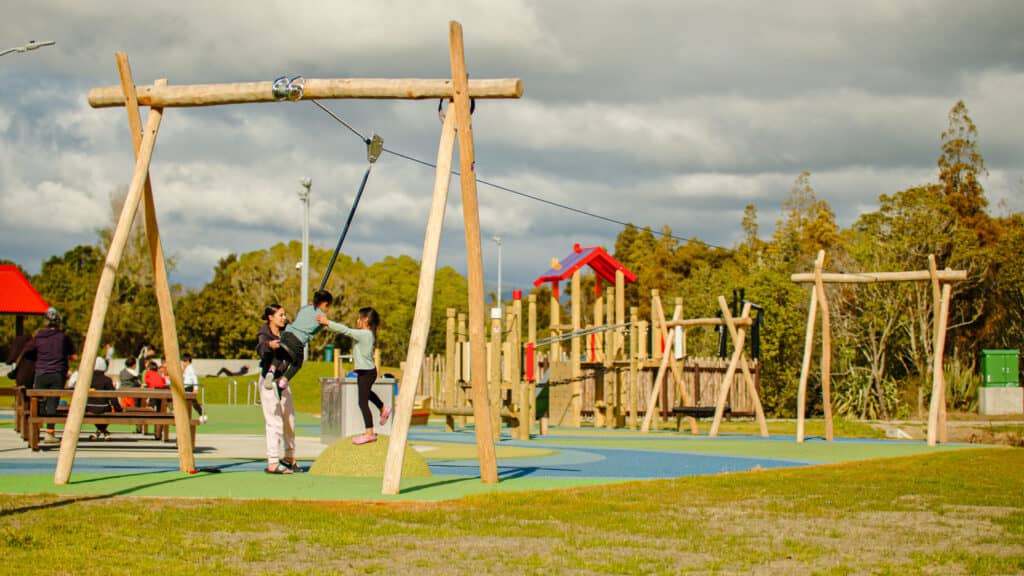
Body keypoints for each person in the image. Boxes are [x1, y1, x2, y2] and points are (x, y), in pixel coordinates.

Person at [263, 290, 347, 392]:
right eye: (328, 307)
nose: (327, 309)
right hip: (297, 341)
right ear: (325, 304)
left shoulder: (305, 308)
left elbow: (305, 316)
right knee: (297, 364)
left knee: (280, 355)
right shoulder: (322, 317)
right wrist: (327, 322)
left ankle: (271, 372)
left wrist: (311, 307)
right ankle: (282, 383)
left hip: (286, 335)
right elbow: (328, 326)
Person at [256, 304, 299, 474]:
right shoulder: (264, 333)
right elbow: (260, 347)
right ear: (270, 317)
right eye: (280, 315)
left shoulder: (287, 330)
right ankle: (273, 462)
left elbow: (299, 330)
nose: (283, 318)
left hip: (284, 380)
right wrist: (269, 345)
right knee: (274, 421)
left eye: (284, 315)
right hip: (269, 380)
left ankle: (289, 457)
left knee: (290, 419)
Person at [335, 307, 388, 445]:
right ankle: (383, 408)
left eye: (359, 318)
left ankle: (369, 433)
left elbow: (345, 330)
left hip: (367, 373)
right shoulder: (366, 333)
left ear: (366, 320)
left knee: (362, 402)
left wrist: (326, 322)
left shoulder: (365, 334)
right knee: (367, 394)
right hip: (364, 372)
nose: (357, 321)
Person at [25, 308, 74, 444]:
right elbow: (73, 355)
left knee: (38, 402)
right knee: (53, 403)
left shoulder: (38, 336)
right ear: (59, 322)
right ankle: (49, 433)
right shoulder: (64, 338)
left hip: (41, 372)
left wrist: (38, 358)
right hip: (58, 373)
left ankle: (34, 431)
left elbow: (27, 351)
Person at [85, 357, 122, 441]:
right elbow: (113, 397)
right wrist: (118, 409)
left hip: (88, 407)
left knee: (95, 411)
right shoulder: (107, 380)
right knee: (109, 409)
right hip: (103, 407)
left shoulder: (86, 379)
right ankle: (104, 431)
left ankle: (99, 431)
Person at [181, 353, 207, 423]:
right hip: (185, 387)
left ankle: (202, 414)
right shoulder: (186, 368)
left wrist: (195, 389)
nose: (182, 363)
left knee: (193, 403)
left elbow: (194, 378)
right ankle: (201, 414)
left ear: (187, 361)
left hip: (188, 387)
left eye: (183, 361)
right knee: (188, 402)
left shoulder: (190, 368)